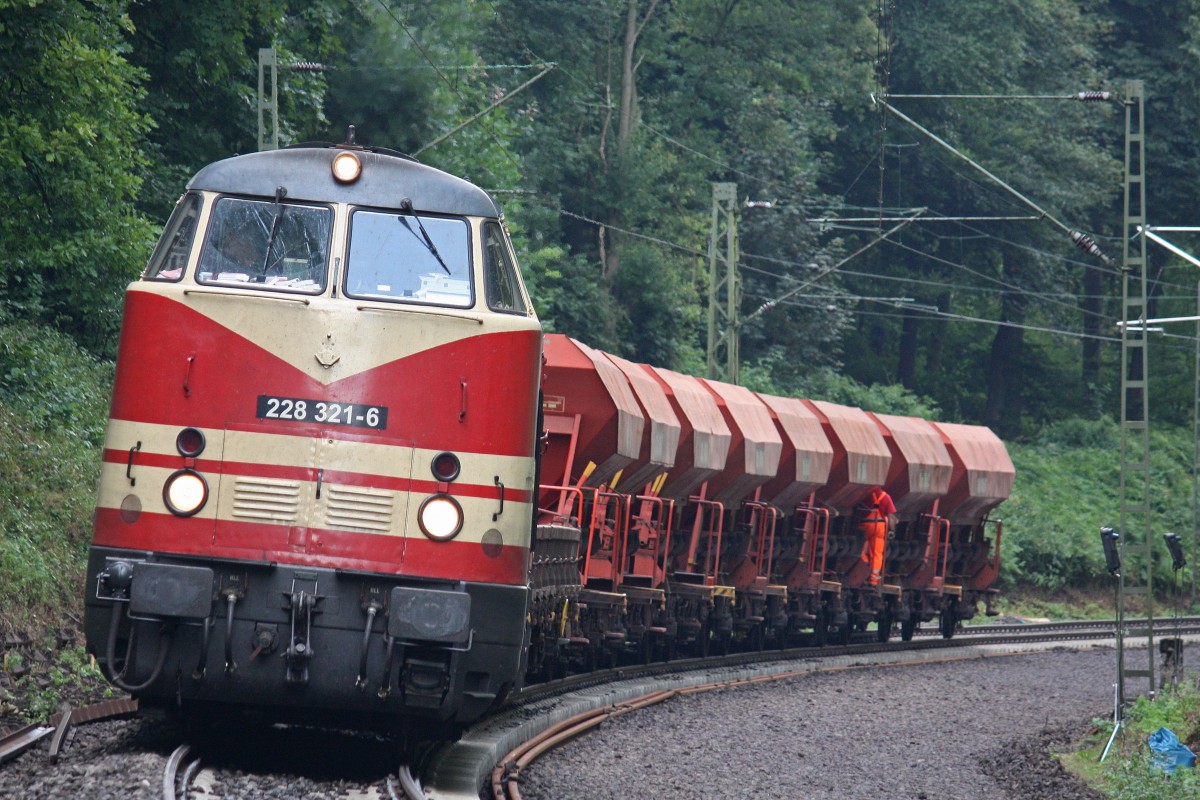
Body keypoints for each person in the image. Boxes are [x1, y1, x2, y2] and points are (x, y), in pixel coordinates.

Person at [860, 486, 896, 587]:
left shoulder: (865, 494)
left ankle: (864, 566)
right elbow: (891, 516)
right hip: (879, 526)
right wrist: (892, 530)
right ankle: (873, 579)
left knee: (862, 549)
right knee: (877, 553)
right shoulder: (886, 497)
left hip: (865, 524)